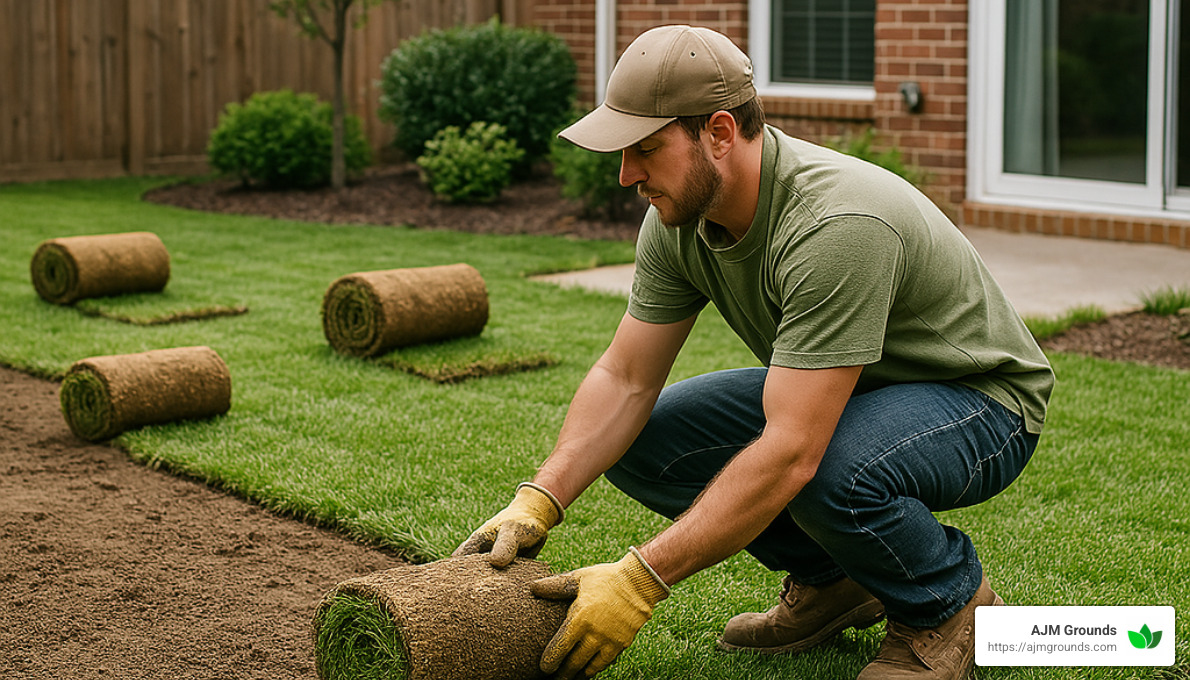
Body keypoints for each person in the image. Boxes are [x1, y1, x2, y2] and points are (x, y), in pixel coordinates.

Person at [454, 24, 1054, 680]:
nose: (628, 176)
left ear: (717, 133)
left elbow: (793, 450)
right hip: (856, 390)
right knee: (647, 443)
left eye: (645, 149)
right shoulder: (677, 221)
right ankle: (833, 583)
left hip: (980, 401)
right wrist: (540, 496)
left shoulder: (835, 226)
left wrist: (639, 580)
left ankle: (947, 607)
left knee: (827, 469)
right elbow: (625, 378)